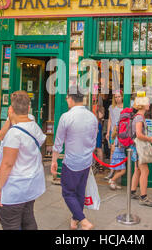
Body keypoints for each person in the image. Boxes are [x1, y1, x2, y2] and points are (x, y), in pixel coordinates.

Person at [0, 91, 46, 230]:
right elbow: (1, 136)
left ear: (10, 109)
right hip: (31, 183)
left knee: (11, 223)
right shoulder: (33, 125)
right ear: (28, 108)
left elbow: (7, 164)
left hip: (14, 187)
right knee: (28, 219)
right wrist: (11, 120)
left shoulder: (15, 134)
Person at [51, 86, 98, 230]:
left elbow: (58, 142)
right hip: (86, 161)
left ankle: (83, 220)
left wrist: (54, 160)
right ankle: (75, 219)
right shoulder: (92, 116)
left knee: (68, 192)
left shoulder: (66, 116)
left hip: (71, 161)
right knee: (79, 192)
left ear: (70, 99)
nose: (66, 100)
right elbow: (94, 140)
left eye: (66, 98)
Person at [130, 94, 152, 207]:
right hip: (138, 147)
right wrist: (149, 138)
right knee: (145, 171)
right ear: (142, 105)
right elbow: (139, 134)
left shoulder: (138, 116)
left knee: (137, 170)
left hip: (135, 147)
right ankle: (143, 197)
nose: (149, 104)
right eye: (147, 102)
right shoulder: (139, 117)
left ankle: (132, 192)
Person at [104, 90, 124, 181]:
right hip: (113, 132)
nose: (117, 99)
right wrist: (108, 132)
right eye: (115, 97)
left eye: (119, 96)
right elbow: (110, 120)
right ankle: (111, 171)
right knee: (112, 151)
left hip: (122, 132)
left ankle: (118, 172)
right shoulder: (111, 107)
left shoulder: (125, 106)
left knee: (118, 152)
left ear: (122, 96)